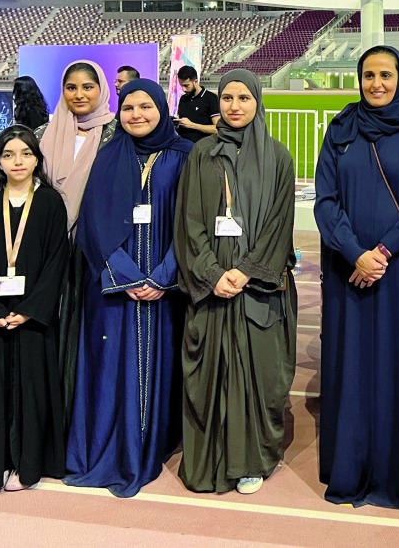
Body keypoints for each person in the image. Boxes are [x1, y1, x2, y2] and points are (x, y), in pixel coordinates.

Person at [313, 45, 399, 513]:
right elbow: (325, 202)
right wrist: (356, 253)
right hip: (349, 272)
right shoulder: (341, 128)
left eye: (385, 74)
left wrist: (383, 251)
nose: (376, 84)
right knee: (353, 368)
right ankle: (353, 470)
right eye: (368, 75)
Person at [64, 77, 192, 498]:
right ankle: (110, 448)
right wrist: (127, 275)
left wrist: (162, 275)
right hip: (113, 290)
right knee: (109, 366)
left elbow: (193, 225)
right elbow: (94, 223)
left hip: (163, 290)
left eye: (146, 107)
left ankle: (148, 446)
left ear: (161, 110)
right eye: (129, 107)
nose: (136, 115)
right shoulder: (108, 155)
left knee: (157, 366)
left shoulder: (185, 156)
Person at [175, 69, 296, 495]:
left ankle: (249, 461)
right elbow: (189, 220)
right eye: (227, 97)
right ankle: (207, 459)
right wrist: (211, 272)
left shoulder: (278, 157)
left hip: (256, 287)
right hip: (212, 285)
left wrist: (245, 271)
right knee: (209, 375)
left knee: (255, 375)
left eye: (244, 97)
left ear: (257, 101)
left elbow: (280, 225)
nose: (234, 106)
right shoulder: (202, 153)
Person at [0, 125, 70, 492]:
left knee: (31, 391)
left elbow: (58, 261)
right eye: (9, 155)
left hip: (31, 316)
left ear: (37, 159)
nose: (17, 161)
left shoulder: (50, 202)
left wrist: (31, 309)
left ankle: (29, 465)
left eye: (25, 153)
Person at [36, 60, 118, 418]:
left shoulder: (117, 135)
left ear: (101, 89)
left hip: (94, 251)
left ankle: (84, 418)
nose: (80, 94)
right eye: (72, 87)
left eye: (88, 87)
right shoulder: (43, 133)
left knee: (88, 335)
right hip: (48, 249)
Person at [173, 65, 220, 144]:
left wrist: (192, 125)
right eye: (181, 86)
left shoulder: (211, 98)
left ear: (195, 81)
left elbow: (217, 129)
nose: (183, 89)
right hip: (183, 148)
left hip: (203, 149)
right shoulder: (183, 99)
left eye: (186, 85)